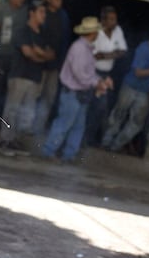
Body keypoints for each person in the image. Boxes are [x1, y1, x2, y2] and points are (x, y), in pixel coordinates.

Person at [41, 17, 112, 162]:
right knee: (65, 123)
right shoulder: (79, 48)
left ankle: (68, 155)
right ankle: (49, 152)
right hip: (72, 93)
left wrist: (99, 80)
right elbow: (80, 74)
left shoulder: (87, 48)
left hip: (80, 93)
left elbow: (88, 72)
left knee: (77, 126)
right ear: (92, 33)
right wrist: (96, 82)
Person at [101, 24, 149, 152]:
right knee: (118, 115)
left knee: (137, 124)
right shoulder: (143, 48)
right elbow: (138, 73)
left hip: (145, 92)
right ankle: (105, 143)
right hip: (130, 87)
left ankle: (115, 146)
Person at [0, 0, 54, 156]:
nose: (44, 15)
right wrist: (41, 55)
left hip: (34, 78)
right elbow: (28, 53)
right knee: (12, 110)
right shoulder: (22, 31)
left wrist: (40, 53)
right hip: (20, 76)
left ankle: (14, 142)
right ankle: (5, 142)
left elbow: (50, 54)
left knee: (25, 114)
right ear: (32, 13)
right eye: (41, 12)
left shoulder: (41, 35)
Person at [85, 6, 128, 146]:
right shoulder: (96, 32)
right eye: (110, 19)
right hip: (91, 73)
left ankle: (88, 139)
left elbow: (123, 51)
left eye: (114, 19)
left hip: (105, 76)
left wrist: (106, 55)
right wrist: (111, 54)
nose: (113, 22)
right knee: (87, 105)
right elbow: (95, 56)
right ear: (102, 19)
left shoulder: (118, 30)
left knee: (99, 108)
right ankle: (82, 138)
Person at [33, 0, 71, 136]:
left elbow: (65, 40)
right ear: (49, 0)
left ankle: (38, 129)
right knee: (34, 95)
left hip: (54, 65)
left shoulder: (63, 16)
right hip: (39, 63)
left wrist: (61, 62)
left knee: (48, 97)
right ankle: (26, 128)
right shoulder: (42, 13)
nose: (59, 0)